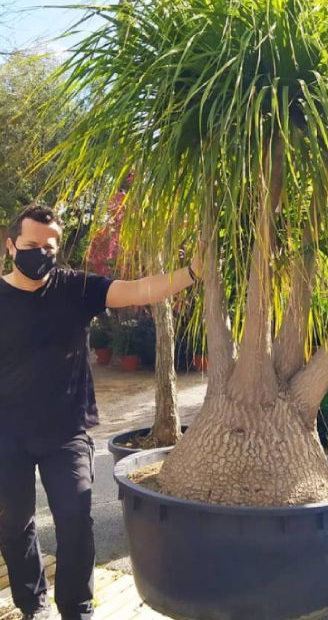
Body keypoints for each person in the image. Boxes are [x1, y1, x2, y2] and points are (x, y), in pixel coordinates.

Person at [0, 204, 200, 620]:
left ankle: (77, 609)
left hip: (66, 431)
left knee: (75, 518)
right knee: (13, 523)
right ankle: (33, 605)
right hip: (7, 435)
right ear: (11, 246)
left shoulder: (75, 287)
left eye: (51, 246)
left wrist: (192, 273)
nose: (42, 253)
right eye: (33, 245)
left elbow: (139, 289)